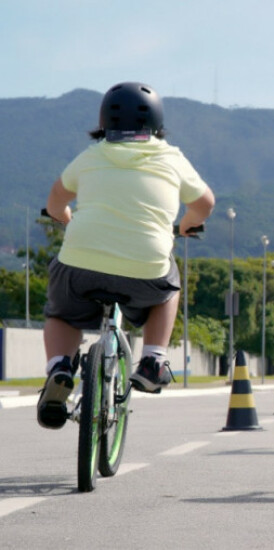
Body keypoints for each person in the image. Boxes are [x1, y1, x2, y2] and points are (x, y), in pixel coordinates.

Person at [38, 82, 215, 429]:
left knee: (61, 314)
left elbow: (55, 201)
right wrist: (188, 225)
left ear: (104, 122)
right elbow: (204, 203)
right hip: (145, 270)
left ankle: (59, 367)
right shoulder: (170, 156)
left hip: (80, 264)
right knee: (169, 286)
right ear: (157, 123)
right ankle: (153, 360)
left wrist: (64, 217)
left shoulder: (92, 155)